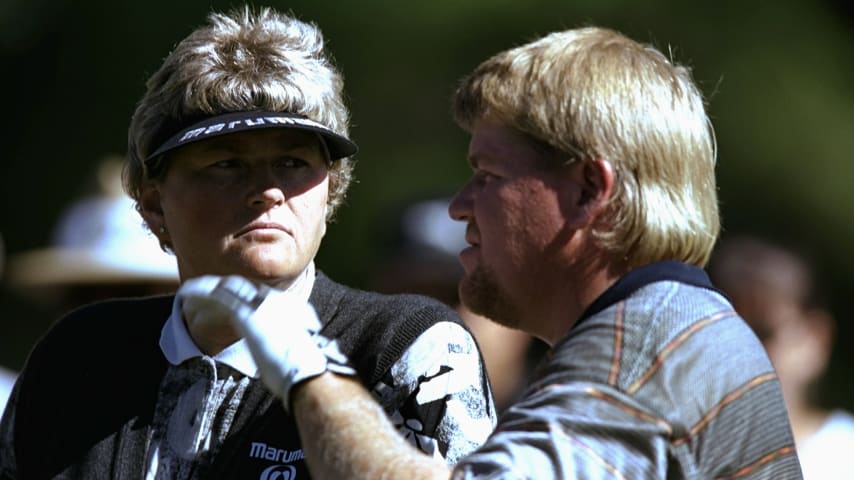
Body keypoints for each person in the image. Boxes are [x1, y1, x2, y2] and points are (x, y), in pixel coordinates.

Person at [219, 26, 805, 479]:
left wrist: (307, 368)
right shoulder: (670, 330)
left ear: (587, 191)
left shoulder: (646, 350)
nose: (461, 206)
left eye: (488, 174)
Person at [0, 6, 495, 479]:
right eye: (227, 164)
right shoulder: (78, 357)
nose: (269, 191)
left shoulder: (409, 348)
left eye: (294, 163)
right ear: (153, 204)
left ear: (331, 190)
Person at [370, 195, 547, 413]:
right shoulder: (327, 436)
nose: (429, 322)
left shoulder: (579, 437)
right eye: (408, 299)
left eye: (455, 296)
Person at [708, 234, 854, 480]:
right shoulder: (671, 452)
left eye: (763, 333)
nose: (739, 353)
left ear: (817, 340)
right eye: (723, 334)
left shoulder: (843, 456)